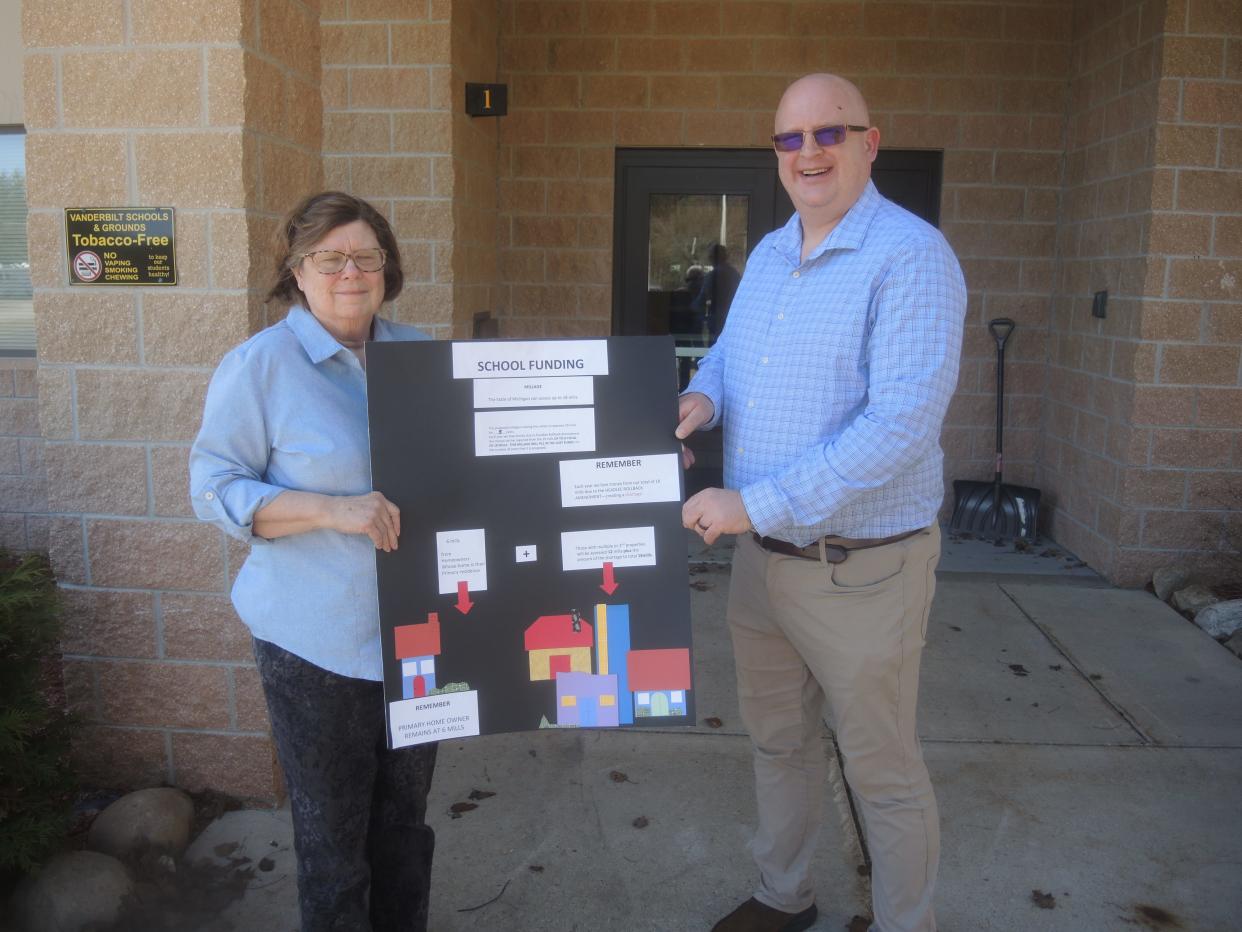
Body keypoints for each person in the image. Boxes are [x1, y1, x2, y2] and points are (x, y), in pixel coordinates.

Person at [677, 74, 966, 932]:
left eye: (828, 134)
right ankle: (783, 894)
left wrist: (751, 503)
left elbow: (899, 427)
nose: (808, 153)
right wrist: (703, 399)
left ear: (870, 143)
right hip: (764, 565)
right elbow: (731, 357)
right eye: (789, 138)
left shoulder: (911, 257)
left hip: (862, 570)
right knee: (778, 745)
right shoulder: (769, 254)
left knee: (881, 767)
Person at [189, 191, 438, 932]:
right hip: (315, 645)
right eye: (330, 258)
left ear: (388, 268)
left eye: (366, 257)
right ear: (297, 272)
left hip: (421, 637)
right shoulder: (260, 367)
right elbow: (215, 488)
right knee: (334, 843)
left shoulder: (423, 356)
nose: (351, 272)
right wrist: (333, 508)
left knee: (404, 825)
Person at [691, 242, 742, 337]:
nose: (709, 259)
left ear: (713, 258)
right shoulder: (735, 274)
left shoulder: (712, 276)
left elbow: (700, 301)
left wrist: (687, 308)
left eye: (710, 256)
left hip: (717, 322)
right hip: (734, 321)